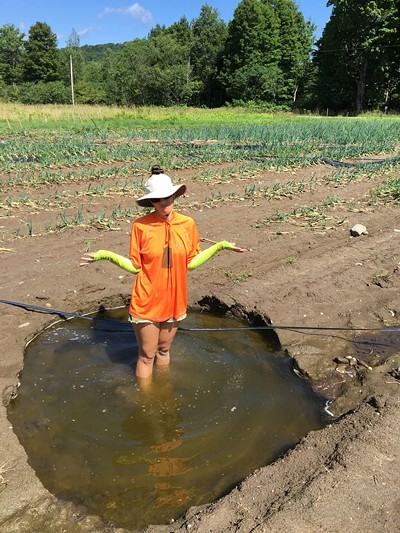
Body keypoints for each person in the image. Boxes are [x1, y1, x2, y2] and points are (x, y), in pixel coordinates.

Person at [80, 165, 246, 382]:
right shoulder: (141, 226)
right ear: (151, 202)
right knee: (147, 356)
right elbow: (135, 267)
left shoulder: (187, 224)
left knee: (164, 351)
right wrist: (105, 254)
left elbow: (189, 264)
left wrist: (220, 246)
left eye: (168, 197)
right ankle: (146, 402)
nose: (164, 203)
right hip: (147, 300)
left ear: (175, 195)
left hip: (174, 301)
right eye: (158, 200)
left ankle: (163, 391)